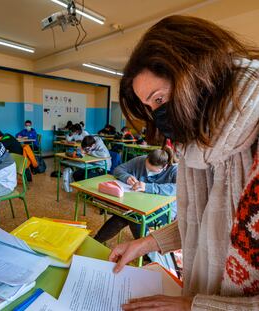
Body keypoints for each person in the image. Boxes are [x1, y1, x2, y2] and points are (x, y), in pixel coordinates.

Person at [109, 15, 259, 309]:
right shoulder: (196, 145)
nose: (158, 116)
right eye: (150, 108)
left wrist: (194, 306)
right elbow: (203, 222)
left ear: (200, 76)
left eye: (160, 100)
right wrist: (147, 243)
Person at [95, 148, 177, 243]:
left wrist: (147, 187)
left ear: (165, 167)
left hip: (165, 209)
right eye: (147, 168)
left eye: (152, 171)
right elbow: (118, 169)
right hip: (141, 204)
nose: (148, 172)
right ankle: (96, 241)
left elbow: (178, 188)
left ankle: (146, 252)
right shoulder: (141, 160)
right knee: (123, 215)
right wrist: (126, 177)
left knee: (134, 217)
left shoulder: (174, 169)